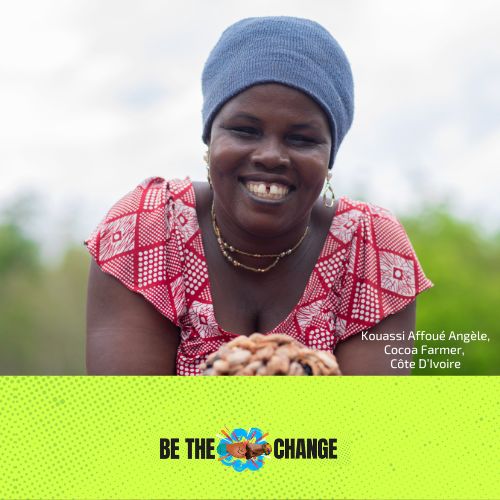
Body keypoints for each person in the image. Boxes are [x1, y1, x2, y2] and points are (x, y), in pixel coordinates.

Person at [85, 17, 433, 376]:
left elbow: (375, 428)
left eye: (301, 138)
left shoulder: (370, 246)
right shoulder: (149, 228)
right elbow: (125, 426)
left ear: (330, 157)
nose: (271, 155)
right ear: (209, 139)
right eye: (244, 130)